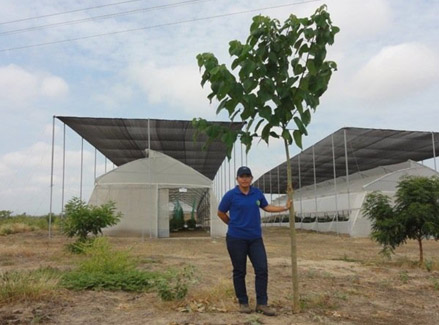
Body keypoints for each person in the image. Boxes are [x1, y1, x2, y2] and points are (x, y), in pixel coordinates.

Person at [217, 166, 291, 316]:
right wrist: (232, 224)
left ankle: (262, 304)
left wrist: (284, 208)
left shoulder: (257, 193)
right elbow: (221, 212)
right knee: (239, 271)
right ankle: (243, 302)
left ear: (251, 178)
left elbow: (266, 207)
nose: (245, 179)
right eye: (242, 176)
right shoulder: (231, 195)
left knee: (262, 269)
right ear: (237, 179)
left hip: (255, 238)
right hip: (236, 239)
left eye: (247, 176)